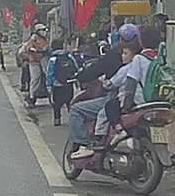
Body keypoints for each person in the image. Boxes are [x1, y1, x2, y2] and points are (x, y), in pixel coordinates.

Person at [69, 24, 150, 160]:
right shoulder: (145, 57)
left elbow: (101, 72)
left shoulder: (121, 59)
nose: (123, 55)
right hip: (146, 100)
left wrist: (89, 78)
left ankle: (89, 143)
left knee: (81, 110)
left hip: (122, 98)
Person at [46, 41, 82, 126]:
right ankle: (73, 119)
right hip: (68, 83)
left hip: (57, 85)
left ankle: (57, 120)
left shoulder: (53, 59)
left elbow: (50, 73)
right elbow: (75, 68)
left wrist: (49, 85)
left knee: (57, 104)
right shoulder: (69, 56)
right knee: (70, 102)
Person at [24, 23, 50, 107]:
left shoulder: (45, 39)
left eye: (44, 30)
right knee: (35, 78)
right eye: (42, 30)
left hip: (44, 60)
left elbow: (48, 48)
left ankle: (51, 94)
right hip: (34, 61)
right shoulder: (34, 38)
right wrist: (33, 50)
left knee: (48, 76)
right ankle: (31, 96)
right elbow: (28, 47)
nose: (44, 31)